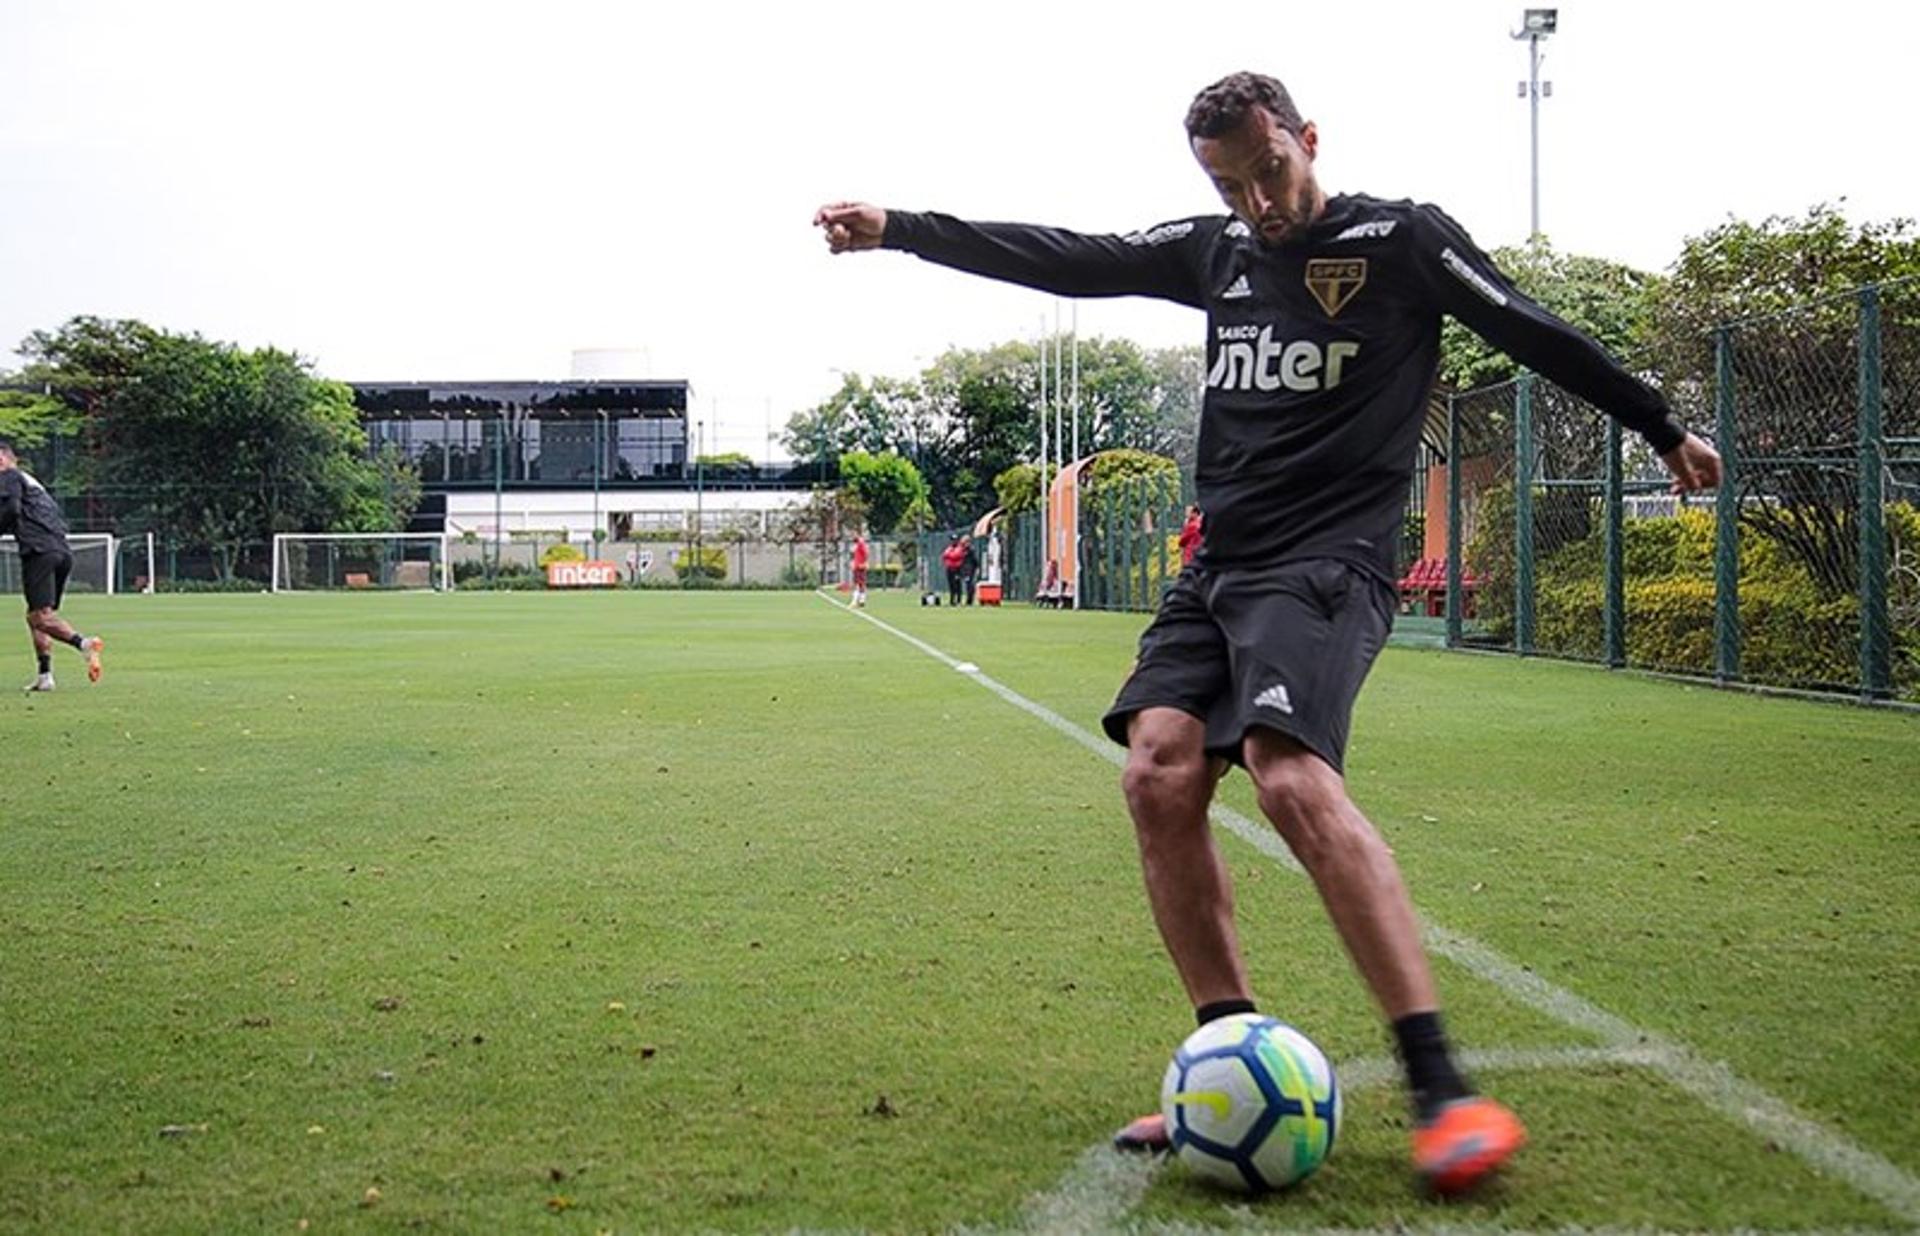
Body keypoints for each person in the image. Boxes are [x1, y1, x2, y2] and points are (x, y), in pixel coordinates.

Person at [815, 69, 1723, 1197]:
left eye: (1270, 171)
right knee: (1155, 771)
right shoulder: (1217, 253)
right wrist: (901, 230)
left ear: (1308, 138)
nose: (1259, 202)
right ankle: (1227, 1055)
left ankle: (1444, 1088)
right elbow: (1072, 254)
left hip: (1327, 564)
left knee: (1290, 780)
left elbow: (1527, 327)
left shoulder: (1399, 239)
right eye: (1230, 184)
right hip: (1220, 566)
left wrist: (1661, 424)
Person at [0, 439, 104, 691]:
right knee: (38, 615)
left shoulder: (10, 476)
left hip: (39, 551)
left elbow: (12, 509)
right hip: (61, 550)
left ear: (1, 458)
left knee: (40, 617)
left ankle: (84, 644)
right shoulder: (33, 483)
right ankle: (45, 675)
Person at [941, 534, 966, 607]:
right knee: (951, 586)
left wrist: (950, 555)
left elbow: (956, 555)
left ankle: (958, 601)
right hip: (949, 569)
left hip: (957, 569)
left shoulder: (960, 548)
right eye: (952, 540)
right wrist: (950, 556)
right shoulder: (949, 548)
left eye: (955, 540)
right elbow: (944, 556)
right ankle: (952, 601)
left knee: (957, 585)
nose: (953, 541)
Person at [957, 534, 979, 605]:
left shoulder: (971, 550)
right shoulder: (960, 549)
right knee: (960, 584)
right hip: (961, 569)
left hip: (969, 570)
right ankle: (958, 600)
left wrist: (976, 568)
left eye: (967, 541)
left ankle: (969, 600)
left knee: (969, 584)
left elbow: (975, 560)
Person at [850, 531, 871, 607]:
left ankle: (856, 601)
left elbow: (866, 553)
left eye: (853, 535)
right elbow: (854, 555)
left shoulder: (860, 542)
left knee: (859, 583)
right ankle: (861, 600)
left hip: (860, 566)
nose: (852, 536)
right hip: (856, 566)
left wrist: (864, 563)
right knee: (859, 583)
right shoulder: (856, 544)